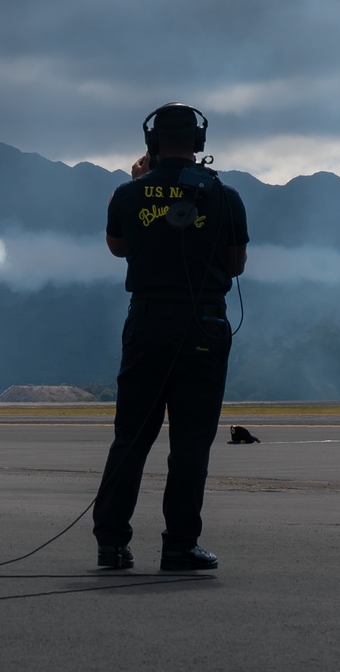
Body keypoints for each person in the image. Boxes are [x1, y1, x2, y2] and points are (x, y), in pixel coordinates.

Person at [92, 102, 248, 573]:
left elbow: (118, 247)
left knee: (131, 438)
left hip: (147, 323)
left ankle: (111, 543)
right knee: (190, 442)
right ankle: (180, 545)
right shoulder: (225, 195)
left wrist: (142, 183)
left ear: (151, 143)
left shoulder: (127, 192)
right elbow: (236, 264)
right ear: (198, 143)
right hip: (202, 325)